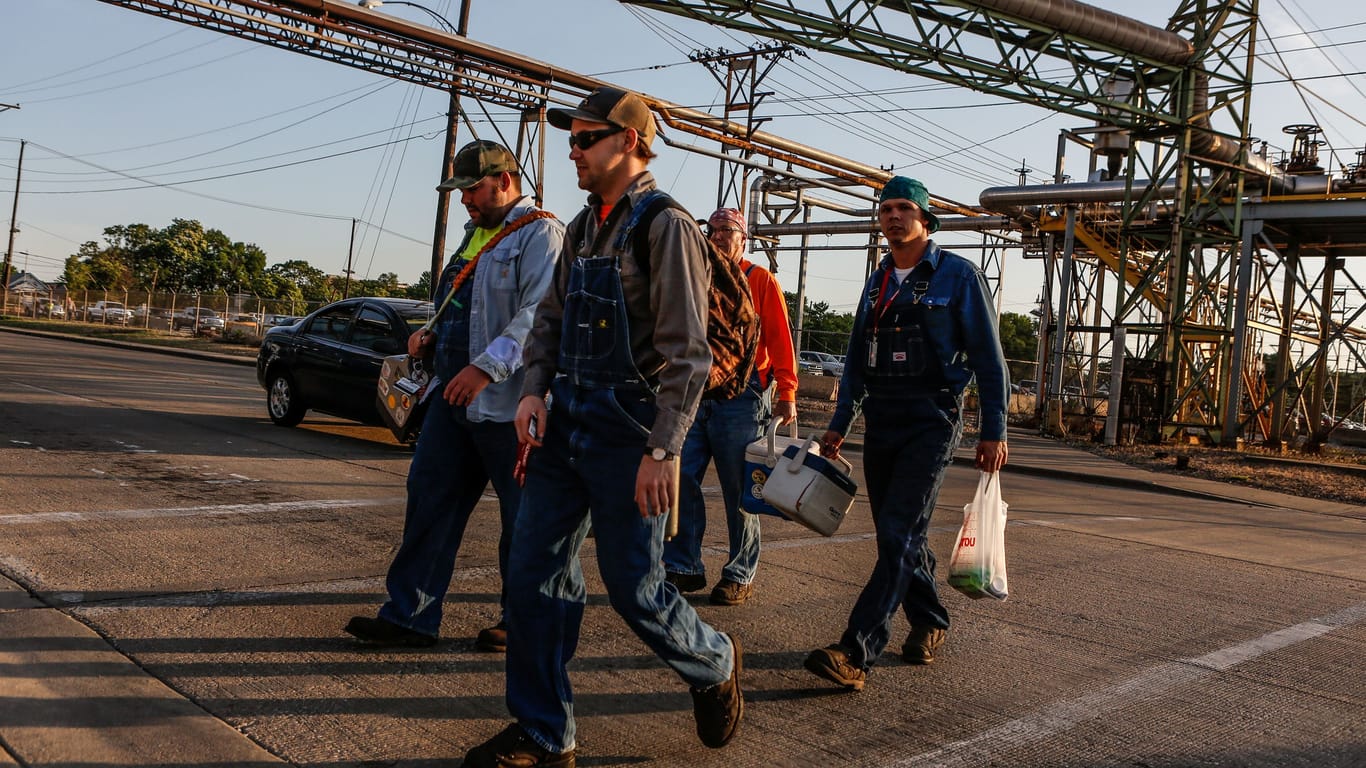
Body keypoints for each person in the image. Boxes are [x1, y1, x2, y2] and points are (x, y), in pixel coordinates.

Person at [463, 86, 743, 767]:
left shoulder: (666, 226)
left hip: (630, 432)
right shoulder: (586, 225)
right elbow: (550, 321)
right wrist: (533, 392)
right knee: (533, 577)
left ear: (629, 142)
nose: (573, 149)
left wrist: (662, 449)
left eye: (586, 138)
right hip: (565, 426)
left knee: (636, 590)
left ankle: (713, 661)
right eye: (572, 139)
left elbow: (688, 354)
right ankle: (544, 732)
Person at [343, 140, 564, 652]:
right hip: (452, 397)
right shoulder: (476, 234)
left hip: (510, 406)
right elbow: (462, 302)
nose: (464, 200)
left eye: (472, 189)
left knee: (525, 519)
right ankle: (410, 617)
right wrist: (431, 335)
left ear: (505, 181)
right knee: (429, 502)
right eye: (460, 191)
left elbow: (539, 317)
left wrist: (486, 369)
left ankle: (524, 622)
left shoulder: (541, 235)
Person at [803, 176, 1009, 691]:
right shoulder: (877, 282)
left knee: (899, 531)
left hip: (932, 420)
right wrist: (838, 423)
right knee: (900, 533)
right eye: (885, 208)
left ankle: (855, 650)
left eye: (903, 208)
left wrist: (994, 429)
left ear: (924, 217)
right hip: (883, 418)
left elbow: (990, 359)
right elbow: (854, 358)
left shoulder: (959, 277)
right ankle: (932, 620)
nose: (892, 216)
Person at [662, 206, 798, 606]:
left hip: (744, 395)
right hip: (696, 389)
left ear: (744, 240)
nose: (718, 236)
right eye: (712, 230)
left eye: (727, 230)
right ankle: (684, 565)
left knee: (740, 488)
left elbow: (779, 337)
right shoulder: (695, 276)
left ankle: (739, 572)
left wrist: (787, 391)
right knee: (681, 477)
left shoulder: (760, 280)